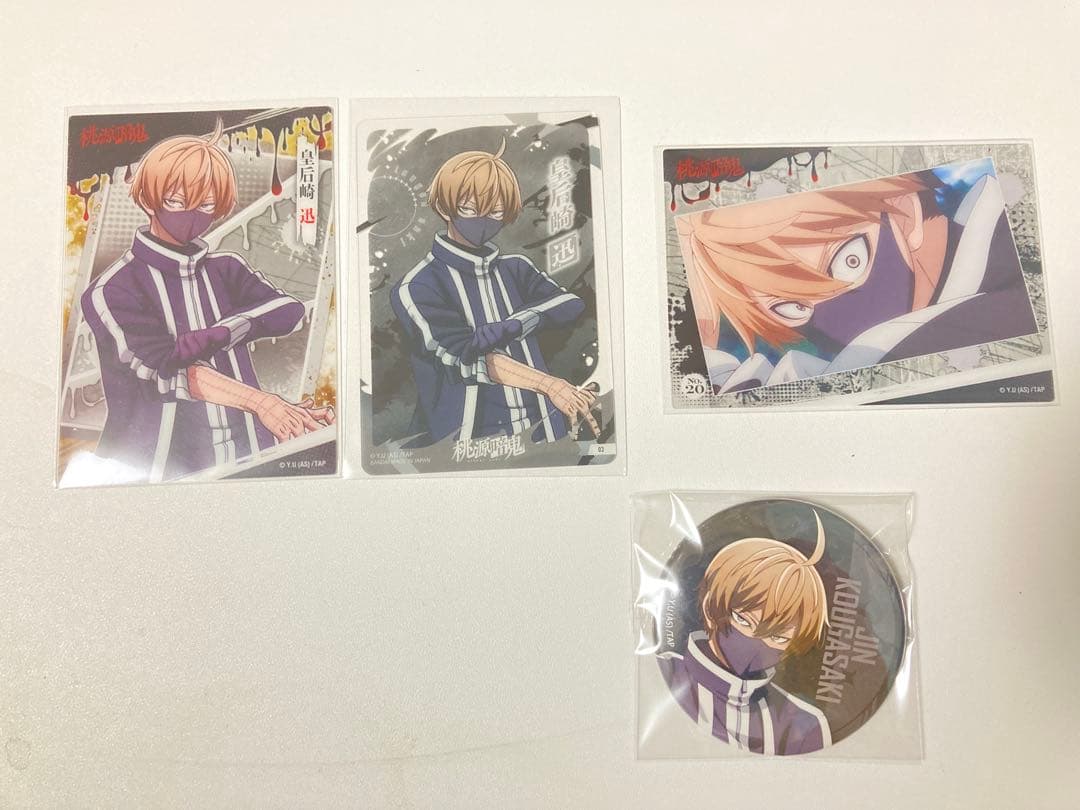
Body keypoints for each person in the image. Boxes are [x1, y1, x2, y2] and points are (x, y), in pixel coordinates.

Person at [81, 121, 333, 483]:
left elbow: (288, 311)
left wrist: (221, 334)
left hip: (249, 451)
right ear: (149, 198)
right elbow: (167, 372)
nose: (191, 214)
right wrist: (263, 402)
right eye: (176, 201)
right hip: (157, 469)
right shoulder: (114, 288)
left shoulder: (224, 268)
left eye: (207, 204)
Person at [677, 160, 1037, 392]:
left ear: (904, 211)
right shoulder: (838, 365)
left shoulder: (1011, 262)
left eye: (849, 260)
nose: (832, 309)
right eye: (792, 307)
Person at [391, 140, 598, 446]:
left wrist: (517, 323)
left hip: (541, 429)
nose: (483, 219)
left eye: (496, 211)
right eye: (470, 208)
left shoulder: (514, 268)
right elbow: (465, 358)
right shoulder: (419, 285)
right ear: (445, 206)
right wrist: (549, 385)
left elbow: (570, 304)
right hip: (466, 440)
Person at [659, 512, 832, 755]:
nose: (754, 642)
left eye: (778, 637)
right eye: (743, 620)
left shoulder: (804, 725)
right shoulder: (662, 679)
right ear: (710, 605)